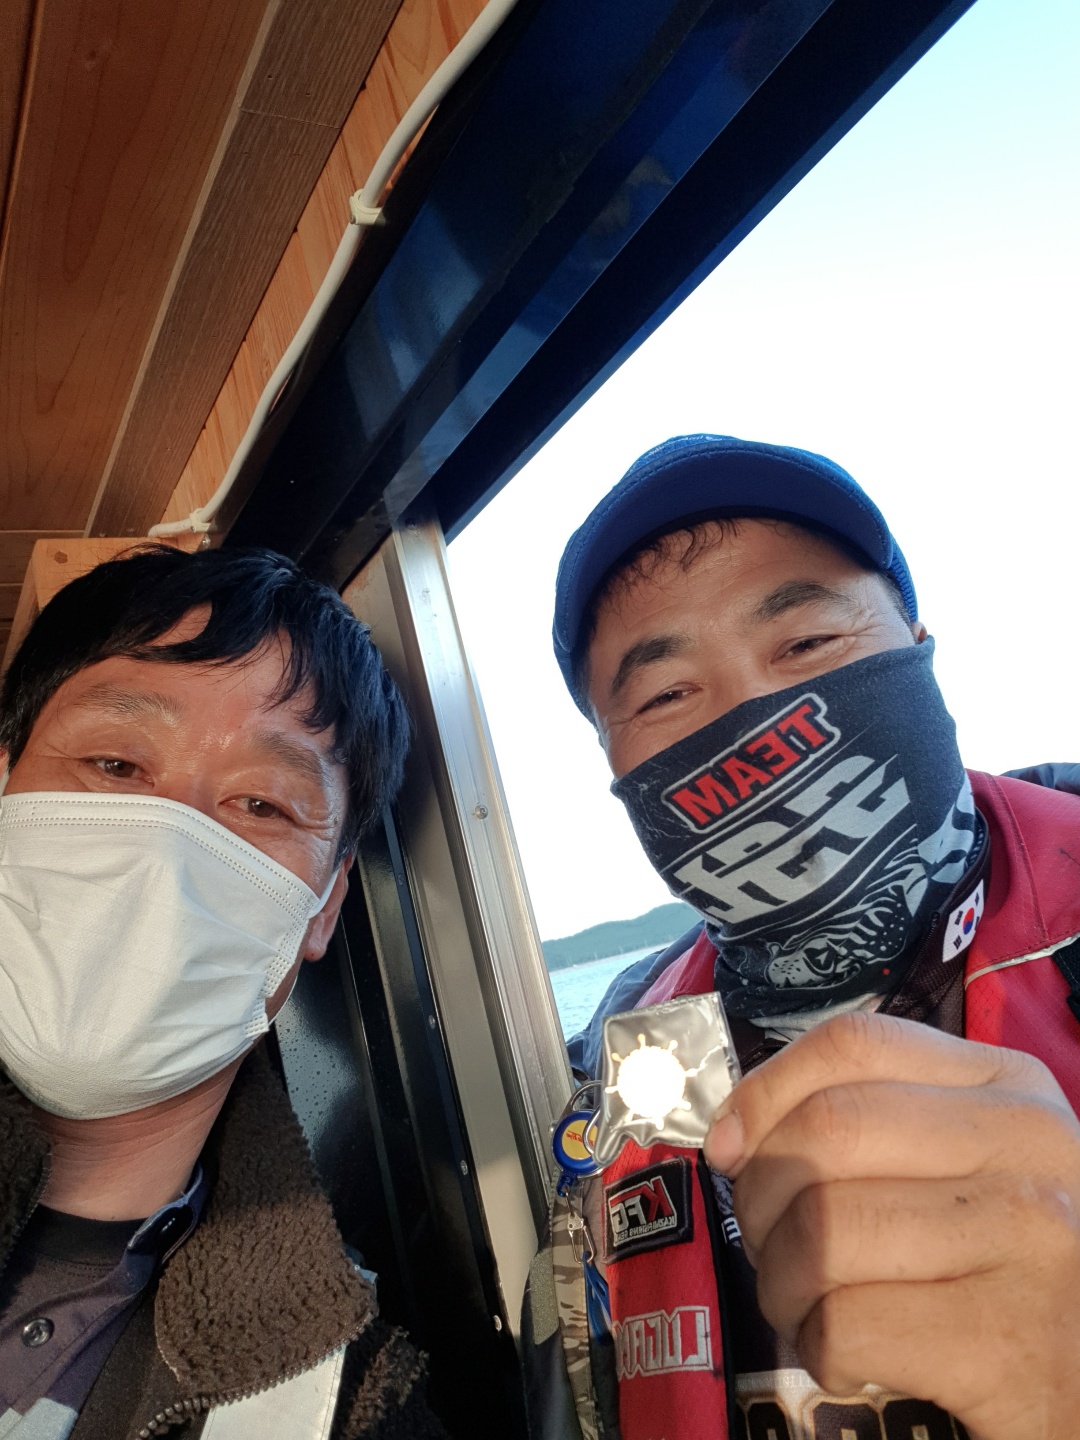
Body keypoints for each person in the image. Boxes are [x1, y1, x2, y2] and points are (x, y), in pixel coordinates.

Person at [524, 435, 1080, 1440]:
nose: (755, 712)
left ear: (918, 641)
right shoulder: (616, 1076)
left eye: (809, 643)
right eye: (665, 695)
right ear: (615, 769)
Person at [0, 546, 447, 1440]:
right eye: (114, 765)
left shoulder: (346, 1404)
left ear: (324, 908)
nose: (165, 848)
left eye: (262, 805)